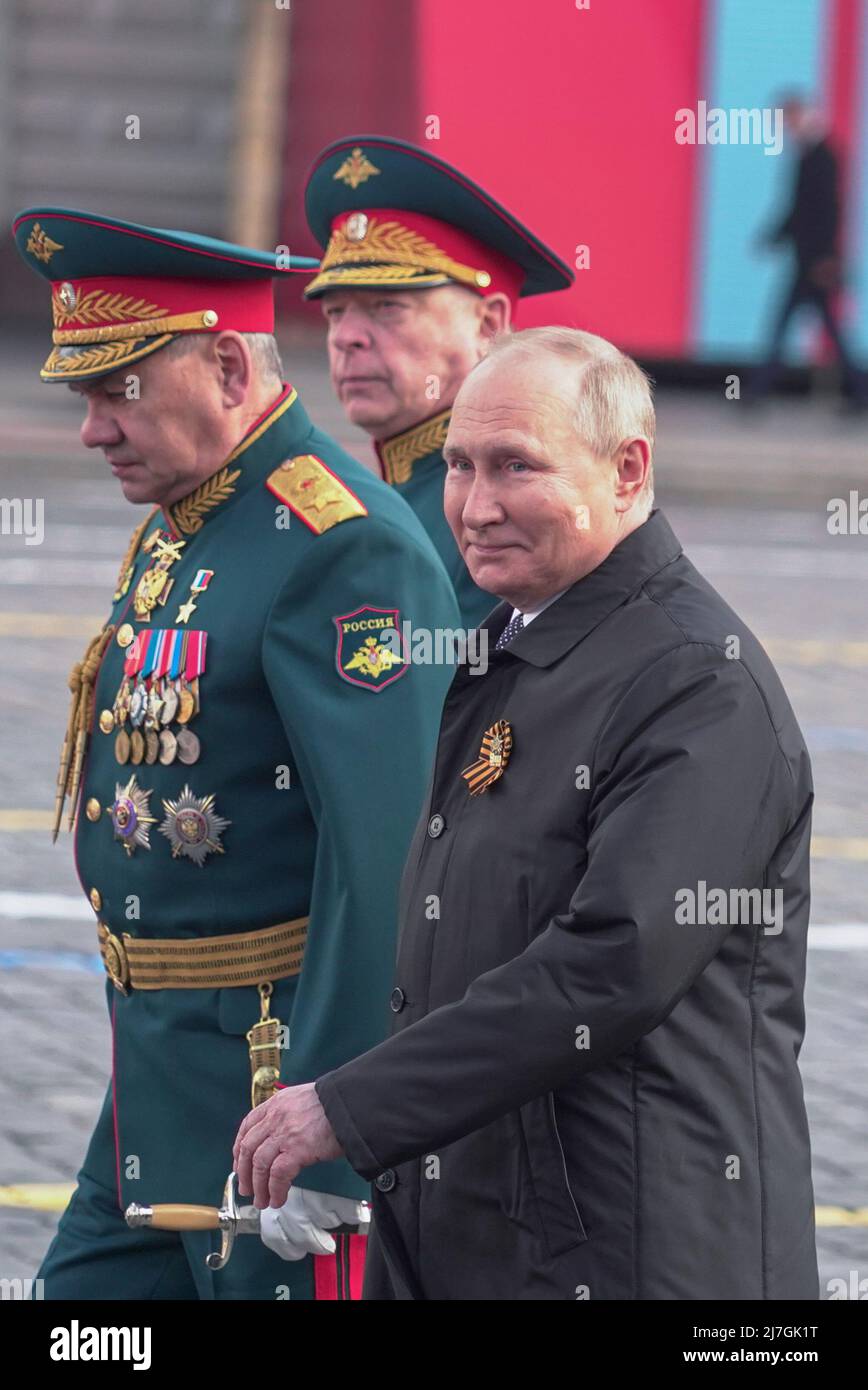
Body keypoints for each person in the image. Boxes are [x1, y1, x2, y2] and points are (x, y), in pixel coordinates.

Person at [234, 327, 819, 1301]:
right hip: (483, 1223)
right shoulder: (516, 642)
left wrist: (351, 1106)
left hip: (633, 1246)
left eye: (517, 467)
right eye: (460, 466)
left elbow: (612, 962)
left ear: (628, 470)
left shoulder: (695, 685)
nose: (474, 504)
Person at [13, 205, 460, 1300]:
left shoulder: (340, 541)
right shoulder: (193, 516)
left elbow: (384, 855)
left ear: (225, 366)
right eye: (83, 395)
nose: (91, 429)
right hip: (157, 1063)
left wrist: (340, 1129)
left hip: (273, 1085)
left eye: (117, 390)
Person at [303, 135, 574, 627]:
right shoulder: (384, 488)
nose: (346, 338)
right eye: (335, 312)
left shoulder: (514, 506)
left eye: (387, 307)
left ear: (489, 325)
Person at [748, 94, 867, 408]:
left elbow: (827, 211)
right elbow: (798, 210)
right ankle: (758, 390)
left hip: (815, 264)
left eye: (787, 119)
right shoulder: (808, 154)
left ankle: (757, 391)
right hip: (806, 261)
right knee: (800, 328)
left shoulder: (823, 155)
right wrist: (774, 237)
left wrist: (827, 258)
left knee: (789, 329)